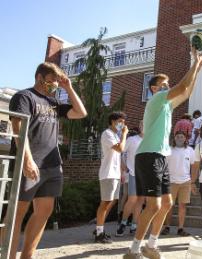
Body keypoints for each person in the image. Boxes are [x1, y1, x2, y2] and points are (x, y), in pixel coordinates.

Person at [124, 47, 202, 259]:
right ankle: (134, 250)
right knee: (154, 205)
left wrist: (197, 70)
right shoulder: (157, 99)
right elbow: (182, 86)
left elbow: (187, 91)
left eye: (167, 84)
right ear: (153, 89)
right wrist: (194, 63)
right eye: (162, 84)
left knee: (167, 204)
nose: (166, 86)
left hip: (160, 157)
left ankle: (151, 246)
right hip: (148, 155)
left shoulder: (167, 105)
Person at [7, 62, 87, 259]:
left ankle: (27, 255)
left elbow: (81, 113)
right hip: (28, 164)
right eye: (52, 81)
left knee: (44, 212)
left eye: (57, 83)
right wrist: (27, 160)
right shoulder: (24, 97)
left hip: (51, 166)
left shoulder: (54, 103)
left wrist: (68, 87)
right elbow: (18, 129)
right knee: (16, 215)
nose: (55, 85)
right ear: (39, 77)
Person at [95, 112, 129, 243]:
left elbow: (118, 156)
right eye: (120, 121)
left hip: (114, 174)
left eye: (123, 122)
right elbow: (120, 148)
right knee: (105, 203)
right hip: (107, 173)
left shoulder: (115, 135)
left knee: (111, 202)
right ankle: (99, 233)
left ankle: (99, 226)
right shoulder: (107, 134)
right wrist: (125, 134)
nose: (122, 124)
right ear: (112, 121)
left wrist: (121, 172)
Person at [161, 131, 194, 236]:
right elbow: (163, 165)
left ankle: (180, 228)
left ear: (185, 139)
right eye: (178, 137)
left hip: (185, 182)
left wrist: (192, 181)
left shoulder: (190, 150)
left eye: (182, 137)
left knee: (182, 206)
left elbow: (194, 165)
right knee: (168, 205)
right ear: (174, 138)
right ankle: (167, 227)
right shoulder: (169, 150)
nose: (180, 138)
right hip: (171, 182)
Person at [116, 121, 145, 237]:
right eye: (143, 125)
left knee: (140, 201)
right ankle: (123, 223)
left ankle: (134, 225)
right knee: (132, 199)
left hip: (146, 176)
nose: (144, 127)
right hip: (133, 173)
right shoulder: (132, 140)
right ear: (140, 127)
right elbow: (120, 151)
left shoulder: (151, 141)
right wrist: (122, 165)